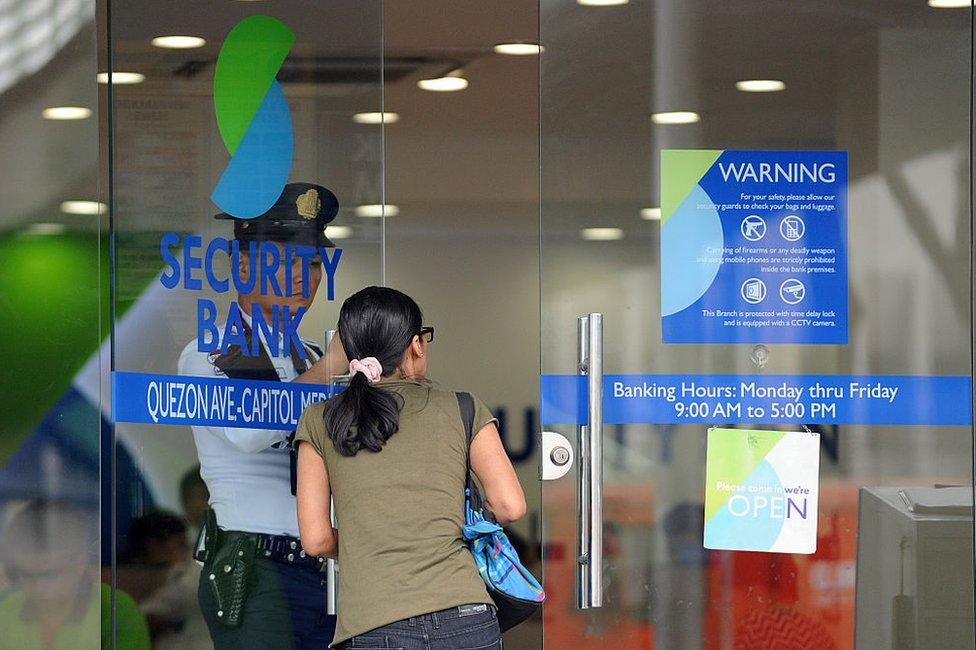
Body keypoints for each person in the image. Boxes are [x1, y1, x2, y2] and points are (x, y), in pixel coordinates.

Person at [294, 286, 526, 649]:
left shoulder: (320, 420)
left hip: (374, 624)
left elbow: (317, 539)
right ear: (416, 345)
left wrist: (369, 544)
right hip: (464, 615)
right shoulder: (463, 408)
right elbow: (510, 505)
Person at [178, 182, 347, 648]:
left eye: (313, 264)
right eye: (285, 262)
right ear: (243, 266)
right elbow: (250, 430)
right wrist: (331, 368)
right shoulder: (212, 348)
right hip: (255, 568)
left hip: (323, 567)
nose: (303, 277)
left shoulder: (311, 355)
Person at [0, 499, 149, 649]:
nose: (38, 587)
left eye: (49, 575)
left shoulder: (115, 611)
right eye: (26, 574)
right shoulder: (5, 610)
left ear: (79, 564)